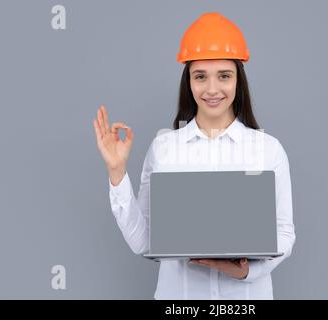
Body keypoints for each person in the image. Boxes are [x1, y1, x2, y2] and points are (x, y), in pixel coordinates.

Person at [93, 12, 295, 300]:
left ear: (239, 80)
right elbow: (145, 243)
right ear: (188, 81)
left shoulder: (268, 150)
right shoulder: (164, 149)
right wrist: (117, 172)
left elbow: (285, 233)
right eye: (200, 76)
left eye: (224, 76)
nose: (212, 89)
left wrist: (247, 272)